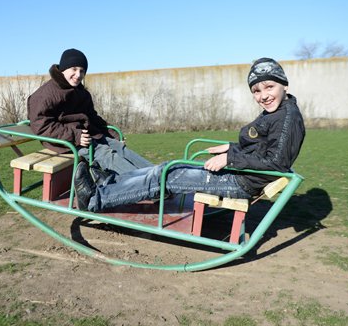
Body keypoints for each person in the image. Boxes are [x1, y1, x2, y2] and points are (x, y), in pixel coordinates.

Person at [74, 57, 305, 212]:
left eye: (269, 87)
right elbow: (260, 148)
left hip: (240, 181)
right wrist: (230, 147)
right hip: (239, 172)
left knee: (168, 177)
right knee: (167, 168)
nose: (264, 95)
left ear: (283, 84)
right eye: (257, 90)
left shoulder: (287, 118)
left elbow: (275, 162)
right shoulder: (276, 113)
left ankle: (95, 200)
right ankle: (111, 183)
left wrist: (230, 158)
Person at [27, 48, 153, 176]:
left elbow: (92, 117)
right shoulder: (45, 94)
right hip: (65, 142)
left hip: (87, 136)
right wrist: (75, 136)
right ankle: (147, 182)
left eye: (82, 71)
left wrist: (112, 134)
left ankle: (160, 173)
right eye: (74, 69)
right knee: (105, 153)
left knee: (119, 147)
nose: (78, 75)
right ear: (63, 69)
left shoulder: (81, 93)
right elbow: (40, 124)